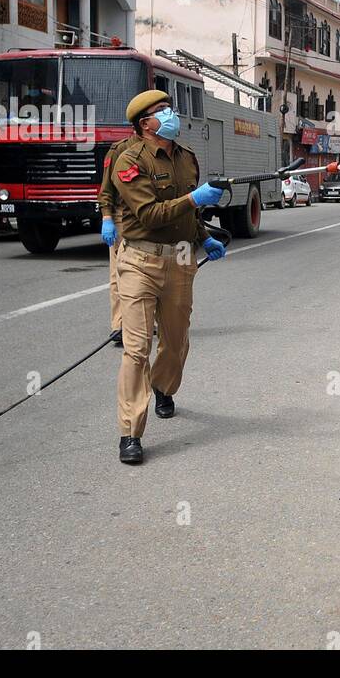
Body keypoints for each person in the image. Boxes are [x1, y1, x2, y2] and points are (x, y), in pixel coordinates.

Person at [107, 90, 227, 464]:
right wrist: (195, 200)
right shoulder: (128, 160)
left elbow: (186, 214)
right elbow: (151, 214)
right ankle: (130, 432)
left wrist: (204, 236)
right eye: (163, 111)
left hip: (180, 259)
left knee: (176, 342)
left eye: (169, 108)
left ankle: (163, 387)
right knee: (137, 347)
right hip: (140, 262)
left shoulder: (186, 157)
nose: (171, 115)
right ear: (145, 124)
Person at [98, 132, 141, 347]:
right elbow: (106, 189)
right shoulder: (119, 150)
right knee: (120, 273)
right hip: (123, 218)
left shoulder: (167, 148)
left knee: (155, 272)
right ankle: (120, 326)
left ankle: (149, 322)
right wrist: (107, 218)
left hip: (154, 220)